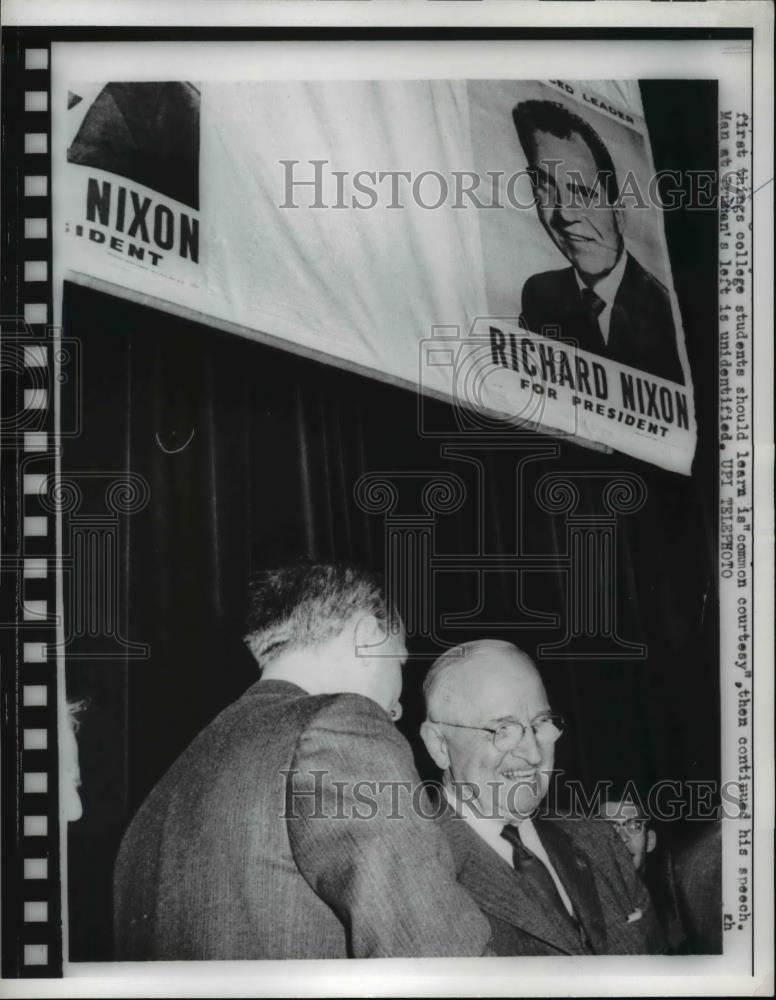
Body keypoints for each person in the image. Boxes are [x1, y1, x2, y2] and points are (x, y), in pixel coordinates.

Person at [113, 563, 491, 960]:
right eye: (399, 661)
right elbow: (437, 956)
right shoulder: (342, 726)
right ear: (367, 636)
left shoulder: (158, 799)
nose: (396, 707)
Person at [420, 639, 665, 955]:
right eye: (503, 730)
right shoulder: (417, 873)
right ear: (439, 745)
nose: (534, 754)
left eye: (540, 724)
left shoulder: (598, 839)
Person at [512, 99, 684, 385]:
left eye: (582, 192)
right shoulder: (538, 295)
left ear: (619, 215)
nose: (564, 213)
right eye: (545, 188)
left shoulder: (666, 316)